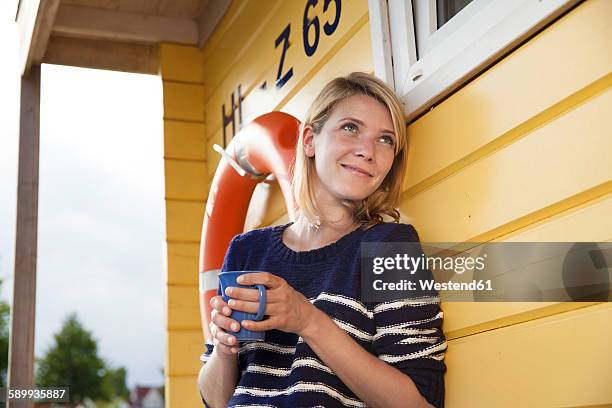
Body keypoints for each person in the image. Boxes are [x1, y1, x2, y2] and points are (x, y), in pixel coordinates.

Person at [197, 72, 447, 407]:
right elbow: (215, 400)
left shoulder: (389, 248)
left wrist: (308, 320)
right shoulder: (246, 250)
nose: (368, 151)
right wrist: (224, 345)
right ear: (309, 140)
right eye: (350, 127)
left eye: (385, 139)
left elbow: (419, 403)